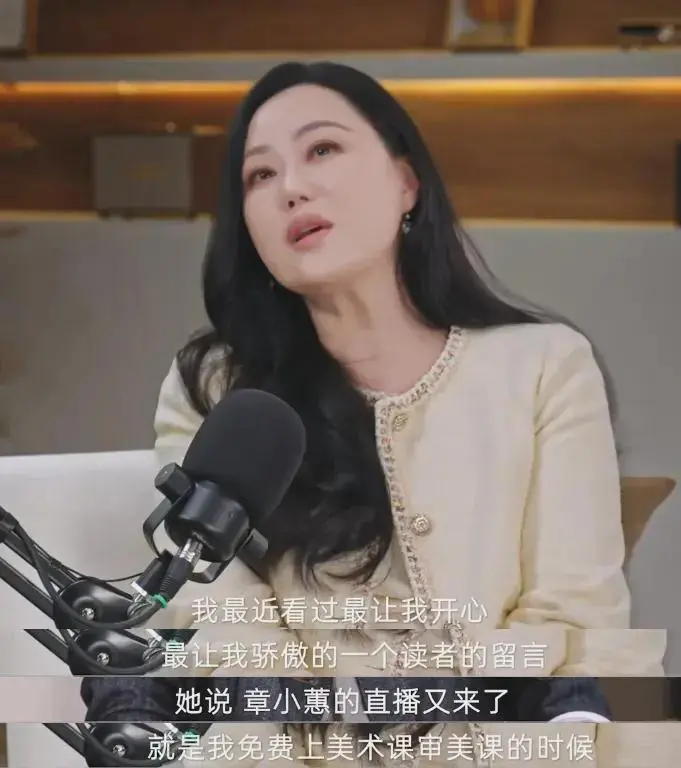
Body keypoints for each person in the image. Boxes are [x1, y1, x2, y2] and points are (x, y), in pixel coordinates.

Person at [84, 61, 668, 767]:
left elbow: (575, 618)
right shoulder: (214, 388)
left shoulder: (544, 364)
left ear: (406, 183)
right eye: (259, 175)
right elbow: (222, 625)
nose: (291, 187)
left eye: (322, 149)